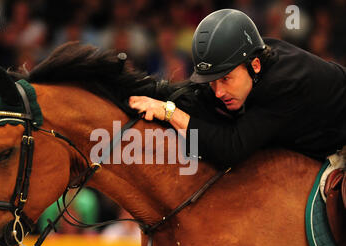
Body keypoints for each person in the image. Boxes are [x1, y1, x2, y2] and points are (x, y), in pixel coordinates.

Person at [128, 9, 346, 170]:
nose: (218, 92)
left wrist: (170, 112)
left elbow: (231, 149)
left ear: (255, 66)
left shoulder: (283, 84)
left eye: (225, 79)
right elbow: (193, 93)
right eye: (212, 82)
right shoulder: (250, 58)